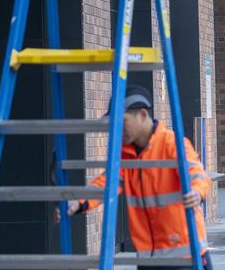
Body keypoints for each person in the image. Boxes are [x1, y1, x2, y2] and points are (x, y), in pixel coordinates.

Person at [55, 85, 213, 269]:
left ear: (143, 115)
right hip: (149, 258)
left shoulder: (172, 143)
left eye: (122, 121)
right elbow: (107, 183)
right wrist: (78, 202)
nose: (117, 129)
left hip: (186, 256)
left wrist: (196, 192)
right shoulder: (125, 154)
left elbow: (197, 174)